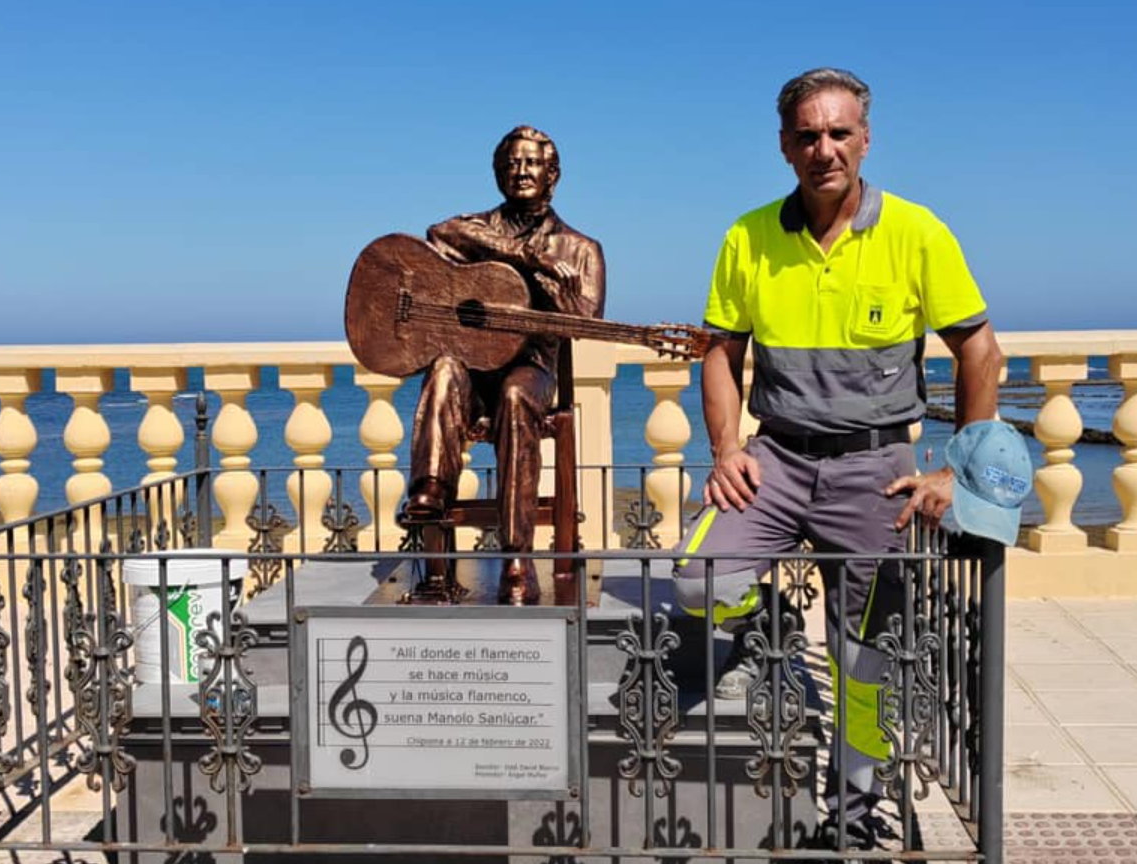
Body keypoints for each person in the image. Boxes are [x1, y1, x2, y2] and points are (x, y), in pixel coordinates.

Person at [672, 68, 1005, 847]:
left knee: (861, 664)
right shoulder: (747, 235)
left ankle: (853, 817)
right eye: (807, 135)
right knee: (693, 581)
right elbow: (718, 352)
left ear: (864, 138)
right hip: (776, 462)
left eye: (838, 133)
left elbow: (979, 353)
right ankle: (766, 618)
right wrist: (725, 449)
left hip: (873, 472)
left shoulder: (916, 231)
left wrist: (952, 468)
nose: (824, 149)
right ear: (784, 146)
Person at [403, 125, 606, 604]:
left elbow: (589, 320)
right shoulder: (477, 228)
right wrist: (520, 254)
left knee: (517, 398)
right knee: (445, 367)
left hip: (530, 367)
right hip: (475, 369)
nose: (521, 171)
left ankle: (517, 558)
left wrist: (551, 290)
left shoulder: (581, 249)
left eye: (532, 163)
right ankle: (429, 492)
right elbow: (439, 233)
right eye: (512, 163)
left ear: (552, 175)